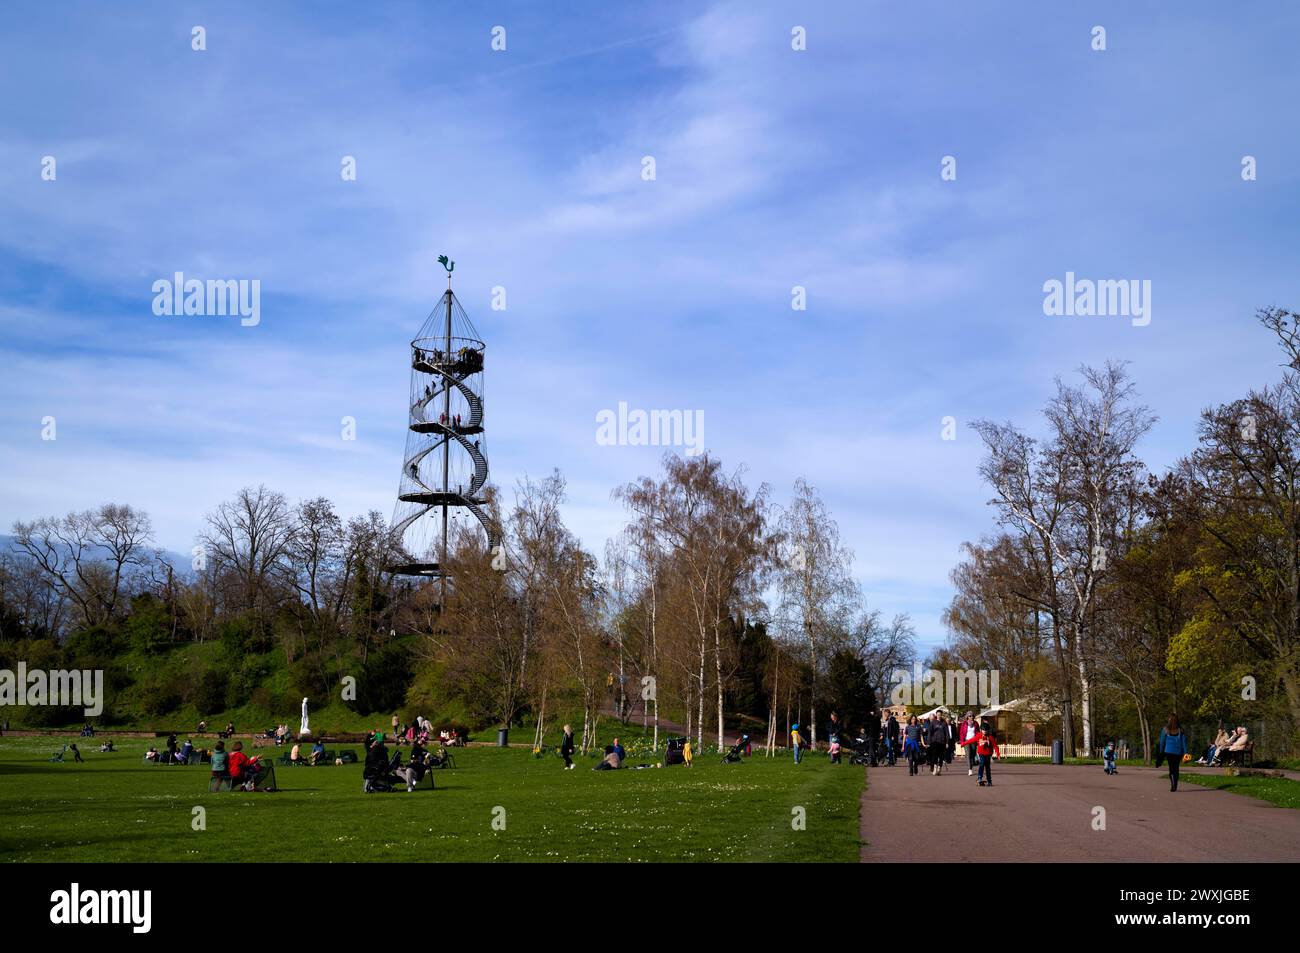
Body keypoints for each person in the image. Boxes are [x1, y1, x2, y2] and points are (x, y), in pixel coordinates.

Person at [1159, 714, 1188, 792]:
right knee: (1176, 768)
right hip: (1178, 752)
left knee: (1171, 768)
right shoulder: (1181, 730)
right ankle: (1175, 784)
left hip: (1168, 751)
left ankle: (1173, 785)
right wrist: (1186, 752)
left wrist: (1161, 751)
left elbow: (1162, 742)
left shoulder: (1165, 729)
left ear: (1169, 720)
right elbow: (1184, 742)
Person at [959, 712, 979, 776]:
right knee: (968, 755)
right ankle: (970, 770)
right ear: (967, 717)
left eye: (972, 716)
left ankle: (972, 764)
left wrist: (978, 740)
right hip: (966, 741)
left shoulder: (976, 723)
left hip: (974, 741)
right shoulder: (964, 724)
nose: (971, 717)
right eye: (970, 716)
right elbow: (961, 733)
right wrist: (962, 742)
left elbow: (978, 732)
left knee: (973, 755)